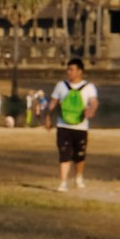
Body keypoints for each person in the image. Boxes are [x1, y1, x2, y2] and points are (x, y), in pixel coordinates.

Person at [46, 57, 98, 192]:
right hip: (63, 125)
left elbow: (93, 101)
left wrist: (91, 110)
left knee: (79, 154)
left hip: (81, 126)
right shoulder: (60, 86)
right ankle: (63, 181)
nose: (69, 72)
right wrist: (47, 116)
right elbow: (53, 102)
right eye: (68, 69)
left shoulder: (89, 87)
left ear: (80, 71)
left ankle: (78, 176)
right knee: (64, 153)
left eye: (72, 69)